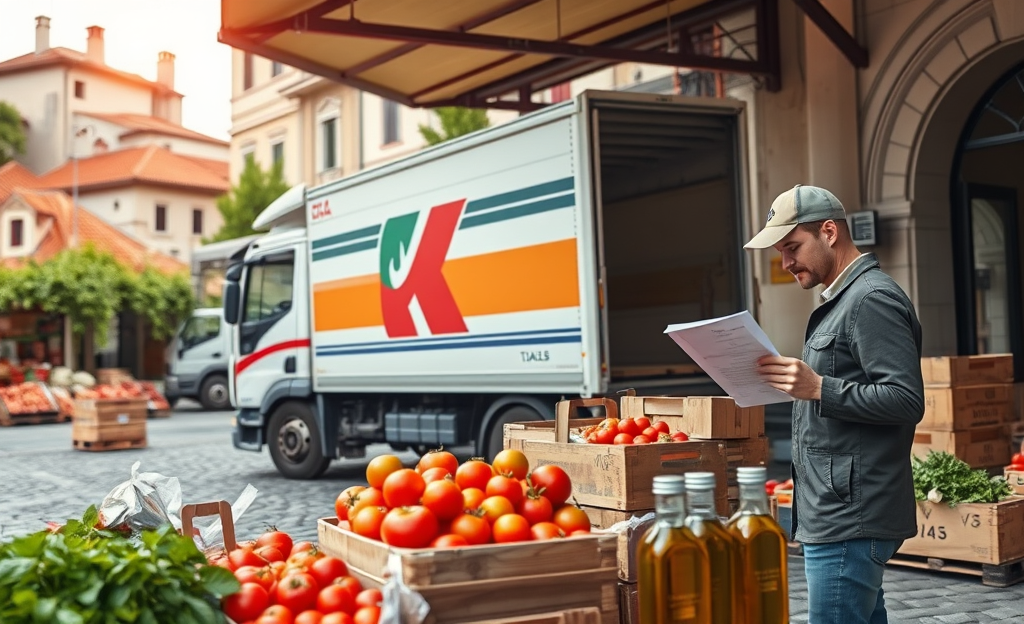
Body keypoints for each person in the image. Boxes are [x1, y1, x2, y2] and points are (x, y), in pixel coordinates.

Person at [744, 184, 925, 624]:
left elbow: (905, 400)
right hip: (838, 510)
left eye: (792, 247)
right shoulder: (844, 300)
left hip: (850, 518)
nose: (785, 263)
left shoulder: (870, 299)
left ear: (829, 232)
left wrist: (819, 387)